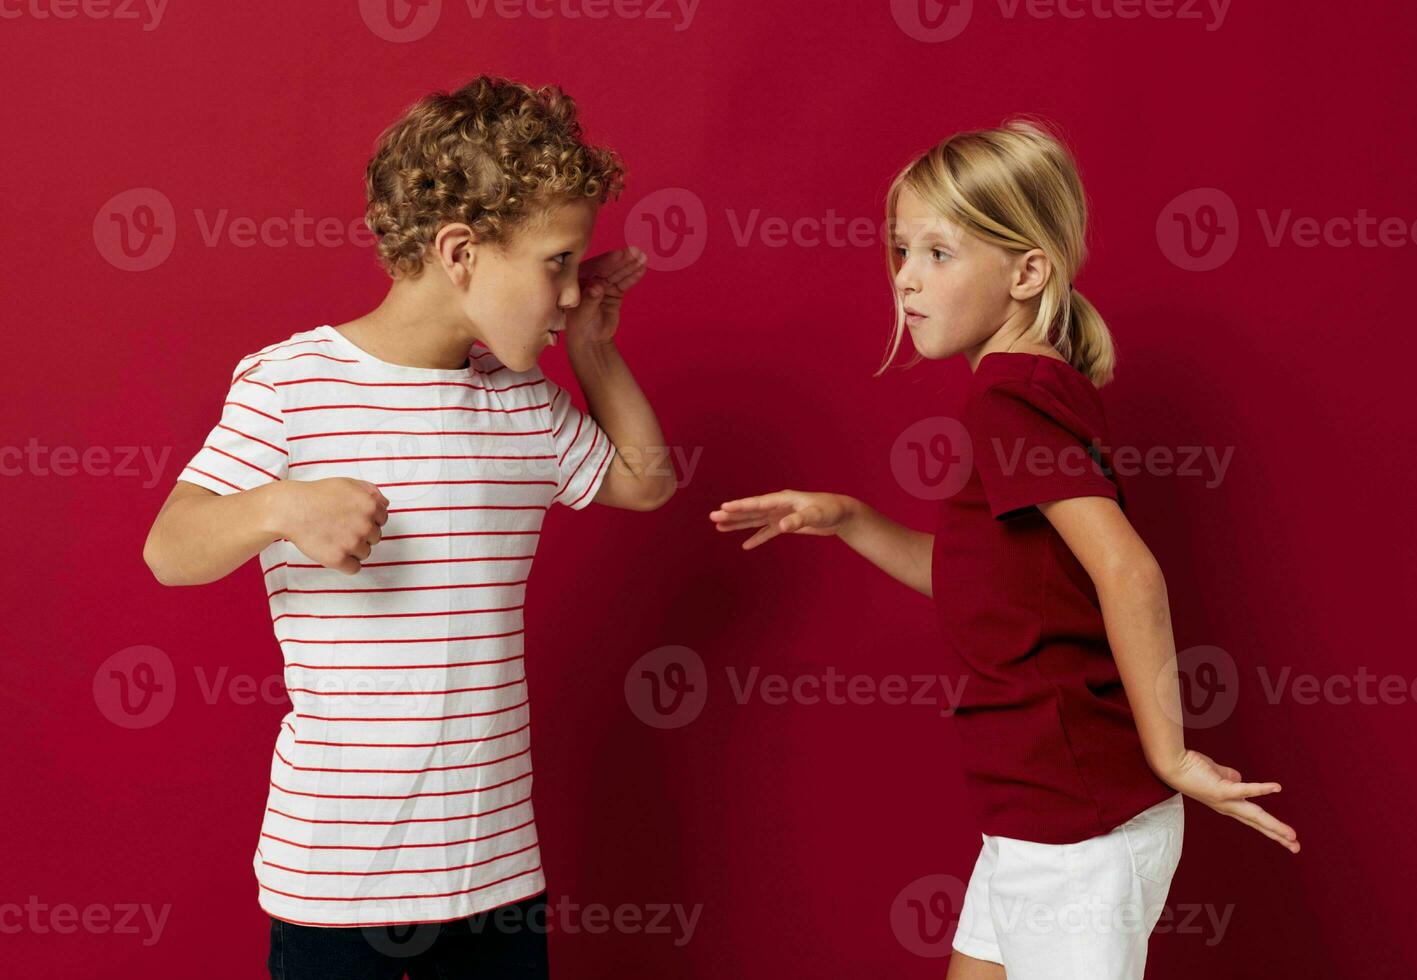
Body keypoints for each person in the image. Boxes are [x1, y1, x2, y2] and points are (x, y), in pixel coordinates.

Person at [709, 119, 1299, 979]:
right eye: (901, 250)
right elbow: (979, 585)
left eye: (940, 254)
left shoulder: (1009, 399)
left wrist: (1171, 754)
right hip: (1036, 813)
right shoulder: (1037, 384)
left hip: (1075, 827)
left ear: (1027, 272)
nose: (906, 278)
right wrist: (849, 519)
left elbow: (1128, 570)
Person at [143, 74, 674, 979]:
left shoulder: (521, 404)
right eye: (557, 262)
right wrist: (279, 506)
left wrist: (595, 352)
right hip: (339, 887)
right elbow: (169, 549)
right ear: (461, 251)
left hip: (498, 876)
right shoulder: (291, 384)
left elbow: (646, 482)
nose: (574, 292)